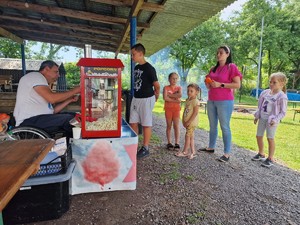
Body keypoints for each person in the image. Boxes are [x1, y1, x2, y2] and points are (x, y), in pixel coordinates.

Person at [14, 60, 80, 138]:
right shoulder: (36, 76)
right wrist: (76, 90)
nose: (58, 75)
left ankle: (69, 143)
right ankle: (73, 145)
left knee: (74, 115)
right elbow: (52, 99)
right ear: (46, 69)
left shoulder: (42, 83)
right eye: (56, 72)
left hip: (39, 119)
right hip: (29, 121)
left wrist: (69, 100)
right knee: (70, 120)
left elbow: (53, 111)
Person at [199, 45, 242, 162]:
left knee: (224, 126)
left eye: (221, 53)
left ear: (228, 54)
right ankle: (211, 147)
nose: (218, 55)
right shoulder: (213, 68)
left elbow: (237, 85)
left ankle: (226, 153)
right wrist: (208, 83)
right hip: (212, 99)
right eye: (217, 53)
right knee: (212, 125)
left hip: (225, 101)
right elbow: (209, 85)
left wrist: (220, 84)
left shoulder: (231, 67)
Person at [129, 43, 160, 159]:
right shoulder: (136, 68)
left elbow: (157, 85)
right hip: (136, 98)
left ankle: (145, 147)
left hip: (147, 98)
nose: (132, 57)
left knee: (146, 123)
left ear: (141, 54)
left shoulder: (150, 68)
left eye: (134, 54)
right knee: (133, 122)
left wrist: (156, 96)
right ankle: (134, 144)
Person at [252, 72, 288, 167]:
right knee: (258, 136)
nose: (271, 84)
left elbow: (283, 112)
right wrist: (257, 116)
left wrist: (275, 120)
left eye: (274, 82)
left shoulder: (282, 96)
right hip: (262, 118)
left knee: (270, 138)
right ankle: (261, 153)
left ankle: (270, 158)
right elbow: (260, 106)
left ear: (281, 84)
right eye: (270, 82)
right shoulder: (265, 93)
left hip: (272, 121)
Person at [175, 83, 200, 159]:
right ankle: (193, 152)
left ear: (196, 92)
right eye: (188, 91)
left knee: (187, 136)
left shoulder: (195, 101)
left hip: (191, 123)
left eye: (191, 91)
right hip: (188, 122)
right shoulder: (188, 100)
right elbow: (186, 111)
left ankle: (185, 152)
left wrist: (189, 121)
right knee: (191, 136)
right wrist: (183, 120)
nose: (189, 92)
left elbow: (195, 113)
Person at [163, 72, 182, 150]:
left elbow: (180, 95)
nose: (174, 80)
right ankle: (169, 142)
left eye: (176, 78)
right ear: (169, 79)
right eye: (173, 78)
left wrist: (169, 95)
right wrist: (175, 99)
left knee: (176, 126)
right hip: (168, 109)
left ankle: (177, 143)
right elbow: (165, 98)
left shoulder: (179, 88)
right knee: (169, 125)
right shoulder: (166, 88)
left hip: (176, 109)